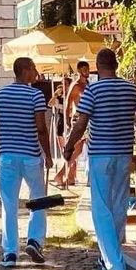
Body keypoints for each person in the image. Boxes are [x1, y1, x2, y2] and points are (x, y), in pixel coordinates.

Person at [63, 48, 136, 270]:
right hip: (123, 154)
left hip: (101, 154)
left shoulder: (93, 90)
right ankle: (111, 257)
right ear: (116, 65)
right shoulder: (130, 89)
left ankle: (115, 266)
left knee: (101, 209)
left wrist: (69, 146)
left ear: (97, 67)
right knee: (118, 206)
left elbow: (81, 124)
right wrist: (125, 116)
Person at [0, 57, 53, 269]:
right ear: (25, 71)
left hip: (8, 156)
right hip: (31, 156)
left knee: (9, 204)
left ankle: (9, 253)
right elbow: (41, 128)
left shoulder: (0, 95)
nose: (36, 72)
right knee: (38, 199)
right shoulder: (36, 95)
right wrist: (49, 154)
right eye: (34, 68)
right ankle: (35, 240)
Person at [53, 60, 91, 189]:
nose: (87, 71)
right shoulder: (75, 85)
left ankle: (64, 174)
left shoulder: (89, 85)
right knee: (76, 149)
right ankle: (61, 174)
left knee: (79, 150)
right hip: (78, 119)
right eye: (84, 69)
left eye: (88, 69)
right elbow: (68, 103)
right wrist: (68, 122)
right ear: (79, 71)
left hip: (89, 120)